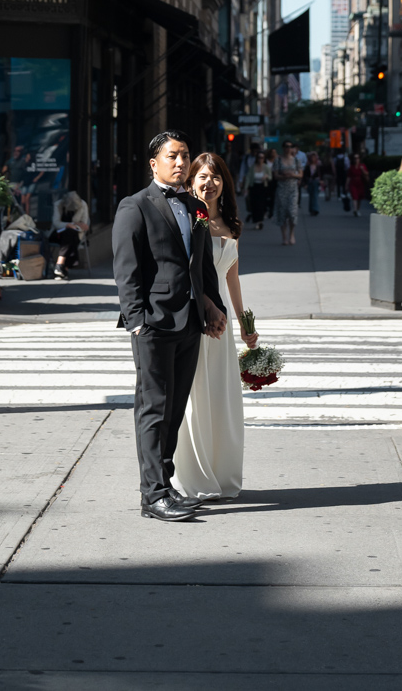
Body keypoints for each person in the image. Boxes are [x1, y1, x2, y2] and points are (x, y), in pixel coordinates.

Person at [112, 129, 227, 523]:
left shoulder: (194, 206)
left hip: (190, 322)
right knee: (153, 409)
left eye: (185, 155)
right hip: (154, 325)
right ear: (154, 163)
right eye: (173, 156)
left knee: (174, 409)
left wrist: (214, 307)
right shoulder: (135, 206)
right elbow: (126, 269)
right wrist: (137, 322)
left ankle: (165, 484)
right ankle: (153, 496)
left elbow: (203, 264)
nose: (181, 163)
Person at [172, 152, 259, 500]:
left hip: (220, 327)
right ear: (192, 181)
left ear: (225, 184)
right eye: (203, 177)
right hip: (193, 321)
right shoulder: (185, 219)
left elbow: (232, 280)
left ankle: (220, 475)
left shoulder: (232, 225)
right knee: (193, 401)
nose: (209, 183)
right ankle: (190, 480)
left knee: (220, 400)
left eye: (216, 177)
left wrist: (245, 324)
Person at [49, 189, 90, 280]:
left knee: (71, 234)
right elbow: (56, 223)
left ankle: (60, 266)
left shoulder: (82, 205)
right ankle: (63, 268)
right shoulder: (58, 204)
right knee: (70, 235)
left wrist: (74, 226)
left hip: (75, 234)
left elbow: (85, 225)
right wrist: (68, 225)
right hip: (58, 234)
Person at [273, 144, 302, 245]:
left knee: (292, 211)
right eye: (286, 146)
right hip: (282, 188)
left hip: (293, 188)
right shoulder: (278, 160)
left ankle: (292, 234)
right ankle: (284, 237)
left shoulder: (296, 160)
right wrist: (283, 176)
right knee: (282, 212)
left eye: (290, 146)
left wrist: (292, 175)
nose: (288, 148)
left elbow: (300, 174)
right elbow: (275, 175)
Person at [245, 150, 270, 229]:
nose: (260, 159)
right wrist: (246, 187)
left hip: (262, 187)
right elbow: (248, 177)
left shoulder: (266, 167)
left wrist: (266, 177)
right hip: (254, 187)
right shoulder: (253, 167)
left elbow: (271, 177)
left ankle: (260, 221)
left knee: (261, 205)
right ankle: (256, 221)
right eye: (259, 157)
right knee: (254, 204)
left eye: (262, 157)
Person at [347, 152, 370, 217]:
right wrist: (346, 185)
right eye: (355, 158)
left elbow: (367, 174)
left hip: (360, 183)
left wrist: (362, 170)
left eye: (357, 158)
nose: (356, 159)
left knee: (359, 197)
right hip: (353, 183)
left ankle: (357, 209)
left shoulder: (362, 166)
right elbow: (349, 176)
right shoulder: (351, 167)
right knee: (355, 197)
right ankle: (355, 209)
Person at [304, 150, 322, 216]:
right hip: (309, 182)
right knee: (311, 196)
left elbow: (321, 174)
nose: (313, 158)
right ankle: (311, 209)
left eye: (314, 157)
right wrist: (305, 184)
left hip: (316, 182)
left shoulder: (318, 165)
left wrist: (321, 180)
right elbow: (305, 175)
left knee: (315, 195)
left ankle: (315, 209)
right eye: (312, 157)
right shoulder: (307, 166)